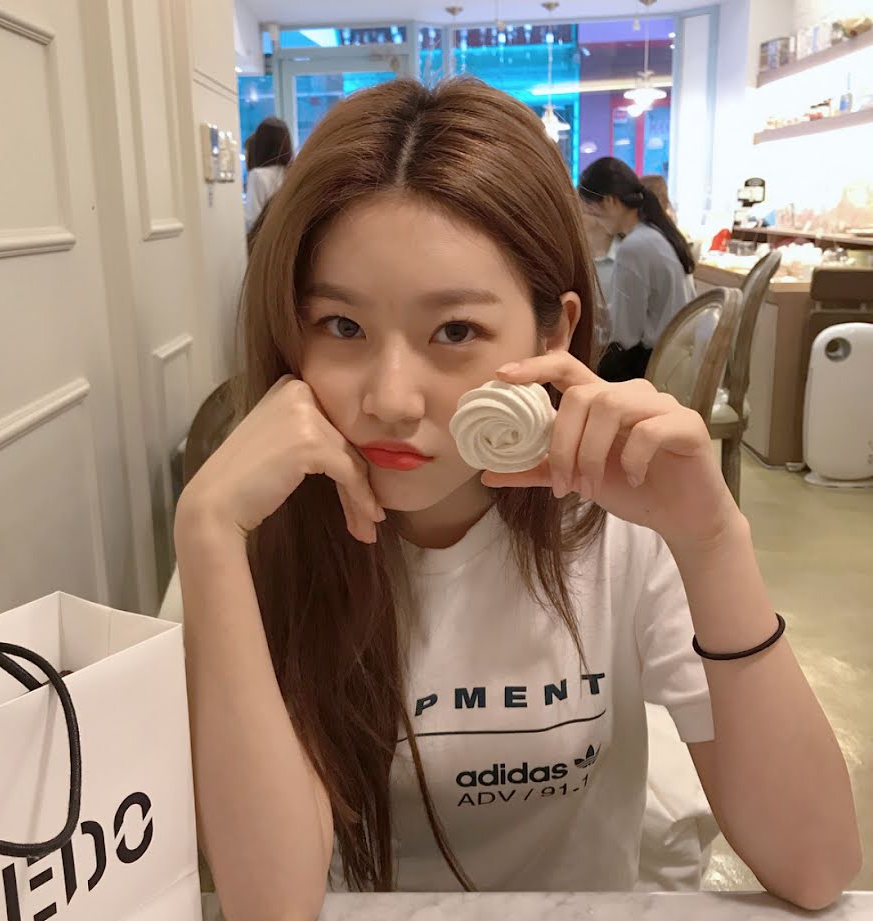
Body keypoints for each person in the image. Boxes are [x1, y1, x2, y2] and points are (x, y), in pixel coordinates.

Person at [175, 79, 860, 921]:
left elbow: (814, 866)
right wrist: (206, 532)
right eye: (342, 326)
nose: (391, 399)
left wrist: (714, 540)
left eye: (455, 331)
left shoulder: (619, 521)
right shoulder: (263, 531)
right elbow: (272, 907)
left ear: (552, 332)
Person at [579, 158, 696, 382]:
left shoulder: (634, 247)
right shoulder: (655, 233)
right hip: (676, 361)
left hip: (653, 366)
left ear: (610, 201)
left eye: (592, 212)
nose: (595, 221)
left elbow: (625, 336)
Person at [244, 116, 293, 232]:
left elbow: (252, 220)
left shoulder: (257, 175)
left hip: (267, 238)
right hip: (290, 235)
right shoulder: (292, 172)